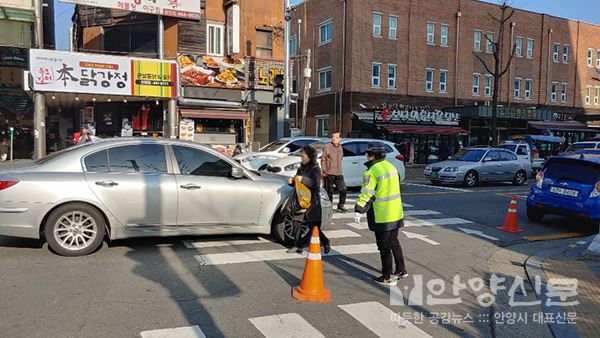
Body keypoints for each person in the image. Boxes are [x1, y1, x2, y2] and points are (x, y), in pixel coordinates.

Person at [354, 143, 407, 286]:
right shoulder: (391, 167)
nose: (366, 156)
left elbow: (367, 193)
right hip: (396, 211)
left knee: (384, 247)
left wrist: (359, 209)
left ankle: (387, 277)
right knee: (394, 242)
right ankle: (401, 270)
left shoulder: (371, 172)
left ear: (371, 155)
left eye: (367, 153)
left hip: (382, 214)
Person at [287, 145, 331, 254]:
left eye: (303, 155)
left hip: (312, 201)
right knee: (296, 222)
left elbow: (315, 184)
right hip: (301, 199)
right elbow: (297, 183)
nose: (301, 157)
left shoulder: (315, 168)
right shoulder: (301, 167)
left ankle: (325, 242)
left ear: (310, 156)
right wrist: (292, 181)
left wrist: (303, 179)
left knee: (313, 226)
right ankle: (297, 245)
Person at [321, 132, 347, 212]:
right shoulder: (327, 147)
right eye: (332, 137)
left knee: (343, 189)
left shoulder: (340, 147)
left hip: (338, 173)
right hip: (329, 173)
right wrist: (324, 170)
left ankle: (341, 205)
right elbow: (323, 159)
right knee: (329, 191)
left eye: (336, 137)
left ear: (340, 139)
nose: (334, 139)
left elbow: (341, 158)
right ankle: (329, 207)